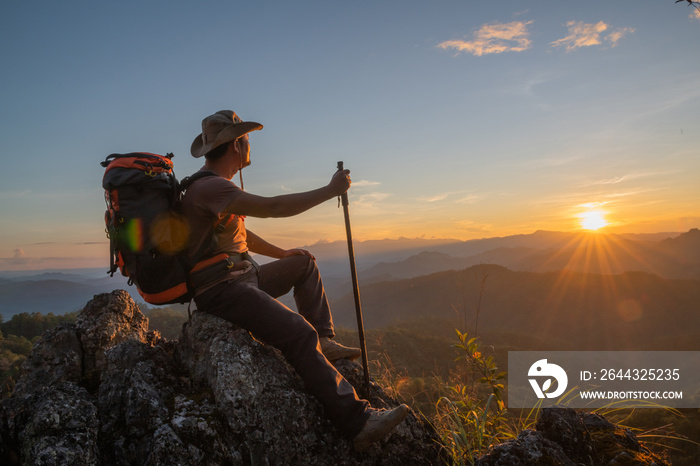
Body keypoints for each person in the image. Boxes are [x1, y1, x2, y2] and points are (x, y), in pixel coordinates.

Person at [181, 109, 409, 450]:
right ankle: (358, 422)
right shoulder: (211, 187)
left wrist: (284, 254)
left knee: (304, 264)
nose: (249, 145)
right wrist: (330, 190)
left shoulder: (214, 186)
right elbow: (273, 206)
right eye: (246, 139)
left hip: (242, 278)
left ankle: (324, 341)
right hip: (222, 289)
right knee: (297, 332)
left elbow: (241, 233)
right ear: (235, 145)